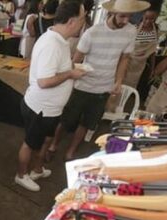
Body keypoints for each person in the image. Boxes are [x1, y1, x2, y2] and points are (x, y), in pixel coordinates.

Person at [48, 0, 142, 161]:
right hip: (82, 85)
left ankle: (71, 151)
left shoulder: (131, 31)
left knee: (87, 123)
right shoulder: (92, 32)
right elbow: (76, 59)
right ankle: (53, 145)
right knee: (66, 120)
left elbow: (125, 58)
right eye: (122, 16)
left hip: (104, 87)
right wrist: (68, 77)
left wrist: (118, 81)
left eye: (129, 17)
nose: (126, 21)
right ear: (112, 13)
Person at [15, 0, 86, 192]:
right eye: (82, 19)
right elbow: (44, 81)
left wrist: (71, 68)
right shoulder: (52, 44)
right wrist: (70, 74)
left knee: (46, 140)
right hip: (40, 108)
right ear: (71, 21)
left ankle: (36, 169)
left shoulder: (59, 40)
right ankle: (20, 175)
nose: (83, 23)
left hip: (51, 108)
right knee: (30, 143)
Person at [122, 7, 159, 89]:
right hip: (128, 63)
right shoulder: (134, 28)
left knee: (130, 88)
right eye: (146, 18)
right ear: (143, 16)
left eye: (151, 19)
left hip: (139, 66)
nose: (148, 21)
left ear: (155, 18)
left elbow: (152, 52)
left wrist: (152, 68)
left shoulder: (155, 31)